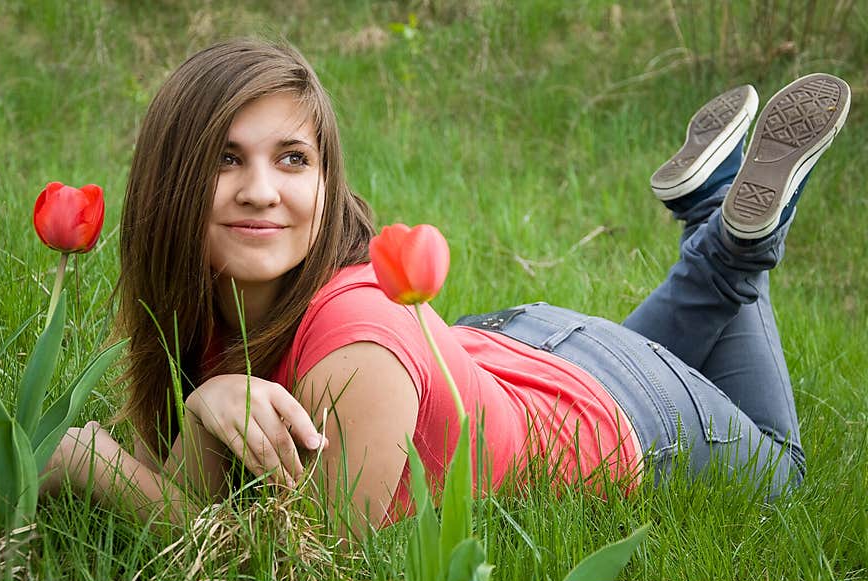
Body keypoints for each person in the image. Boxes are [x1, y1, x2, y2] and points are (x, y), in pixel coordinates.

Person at [41, 38, 851, 538]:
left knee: (784, 469)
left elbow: (304, 576)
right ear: (169, 176)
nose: (262, 190)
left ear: (326, 183)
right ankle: (717, 223)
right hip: (525, 353)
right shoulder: (213, 301)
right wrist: (203, 403)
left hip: (624, 417)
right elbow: (190, 488)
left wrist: (91, 465)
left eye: (292, 159)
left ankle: (728, 235)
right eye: (226, 158)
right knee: (707, 302)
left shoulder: (354, 352)